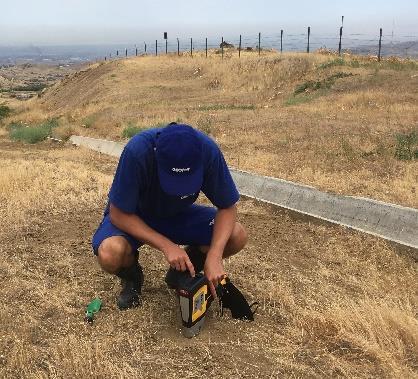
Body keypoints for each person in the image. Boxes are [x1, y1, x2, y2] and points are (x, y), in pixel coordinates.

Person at [91, 122, 248, 310]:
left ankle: (181, 272)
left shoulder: (208, 151)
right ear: (157, 156)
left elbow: (227, 207)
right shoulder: (137, 152)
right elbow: (118, 214)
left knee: (236, 235)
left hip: (178, 215)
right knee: (110, 253)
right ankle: (132, 277)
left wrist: (215, 254)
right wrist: (167, 246)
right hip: (136, 216)